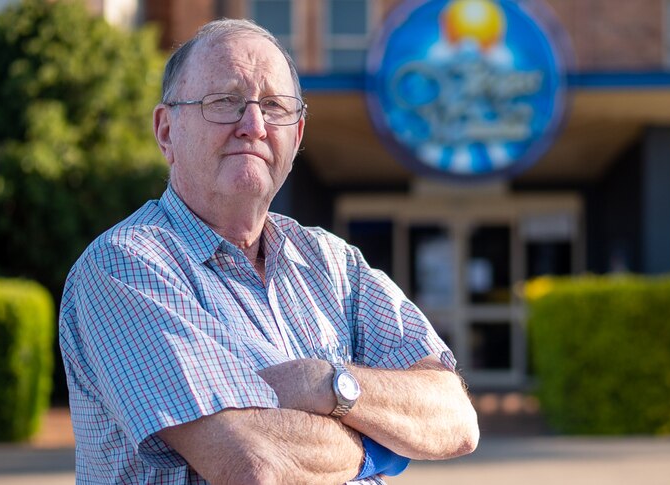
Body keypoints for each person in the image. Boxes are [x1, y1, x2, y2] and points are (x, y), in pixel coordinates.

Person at [59, 18, 479, 485]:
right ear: (166, 131)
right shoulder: (126, 265)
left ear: (296, 137)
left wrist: (321, 383)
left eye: (274, 106)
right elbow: (253, 464)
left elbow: (455, 419)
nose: (254, 125)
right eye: (225, 102)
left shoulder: (333, 263)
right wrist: (383, 450)